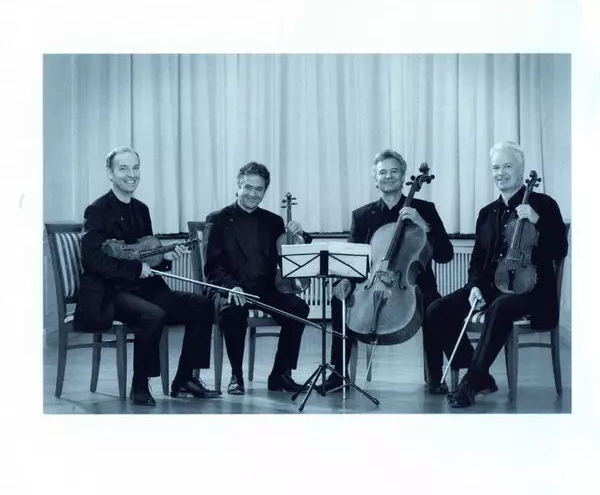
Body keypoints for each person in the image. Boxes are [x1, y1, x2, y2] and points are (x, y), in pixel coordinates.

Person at [424, 141, 569, 408]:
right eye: (496, 168)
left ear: (521, 169)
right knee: (437, 310)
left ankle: (470, 383)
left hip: (534, 291)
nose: (500, 173)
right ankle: (479, 373)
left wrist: (538, 221)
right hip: (492, 288)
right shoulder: (487, 213)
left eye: (507, 167)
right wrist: (475, 287)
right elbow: (478, 261)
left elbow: (560, 248)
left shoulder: (544, 205)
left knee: (501, 306)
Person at [74, 146, 221, 406]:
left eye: (135, 168)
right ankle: (140, 385)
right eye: (123, 169)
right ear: (110, 173)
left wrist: (165, 258)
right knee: (153, 314)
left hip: (145, 288)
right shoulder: (96, 210)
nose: (131, 175)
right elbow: (92, 260)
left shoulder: (141, 209)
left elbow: (146, 255)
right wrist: (134, 270)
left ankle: (184, 379)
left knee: (202, 305)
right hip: (112, 293)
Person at [316, 148, 454, 395]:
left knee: (434, 304)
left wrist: (423, 224)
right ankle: (337, 373)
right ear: (375, 178)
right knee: (339, 299)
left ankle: (435, 375)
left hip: (414, 283)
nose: (388, 176)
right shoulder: (362, 215)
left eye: (394, 171)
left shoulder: (425, 209)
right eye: (383, 172)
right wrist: (344, 279)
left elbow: (446, 255)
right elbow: (352, 257)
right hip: (373, 283)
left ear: (403, 177)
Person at [203, 162, 311, 395]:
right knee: (234, 310)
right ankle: (236, 376)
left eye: (259, 189)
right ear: (238, 186)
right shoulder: (218, 219)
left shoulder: (274, 221)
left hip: (266, 288)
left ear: (265, 191)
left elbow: (291, 255)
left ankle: (280, 375)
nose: (253, 194)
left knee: (299, 308)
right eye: (248, 187)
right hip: (229, 287)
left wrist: (300, 235)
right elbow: (211, 267)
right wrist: (231, 287)